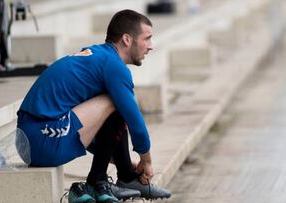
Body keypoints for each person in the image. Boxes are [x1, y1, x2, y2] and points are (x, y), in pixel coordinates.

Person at [15, 9, 171, 203]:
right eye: (147, 38)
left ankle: (126, 177)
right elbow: (135, 121)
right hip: (42, 140)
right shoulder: (114, 66)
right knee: (116, 102)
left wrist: (122, 160)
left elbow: (94, 127)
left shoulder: (98, 56)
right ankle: (97, 180)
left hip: (30, 138)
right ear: (127, 39)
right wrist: (146, 161)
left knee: (114, 102)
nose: (151, 46)